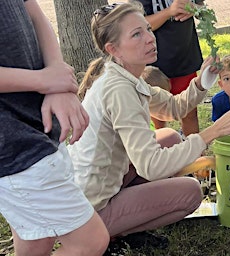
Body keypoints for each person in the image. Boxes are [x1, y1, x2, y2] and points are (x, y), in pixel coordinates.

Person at [67, 1, 230, 249]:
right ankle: (108, 234)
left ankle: (121, 223)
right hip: (89, 210)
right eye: (136, 34)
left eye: (147, 29)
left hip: (98, 185)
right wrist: (212, 133)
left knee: (169, 137)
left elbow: (173, 107)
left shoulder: (124, 74)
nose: (149, 38)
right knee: (191, 192)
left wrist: (202, 81)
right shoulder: (119, 90)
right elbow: (151, 166)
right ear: (114, 49)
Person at [0, 0, 109, 255]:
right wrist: (42, 80)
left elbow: (34, 13)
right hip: (12, 143)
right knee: (90, 240)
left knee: (36, 239)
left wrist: (55, 78)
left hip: (37, 123)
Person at [135, 0, 204, 136]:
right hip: (154, 64)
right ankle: (162, 149)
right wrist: (169, 12)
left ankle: (195, 155)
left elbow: (200, 5)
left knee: (189, 113)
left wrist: (195, 9)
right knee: (158, 115)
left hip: (184, 57)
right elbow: (138, 24)